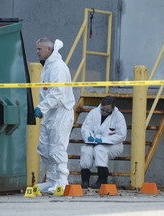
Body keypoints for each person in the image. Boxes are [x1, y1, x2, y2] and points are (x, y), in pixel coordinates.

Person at [33, 37, 75, 194]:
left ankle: (62, 181)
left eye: (40, 49)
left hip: (61, 112)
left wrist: (41, 108)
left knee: (57, 147)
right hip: (50, 113)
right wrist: (43, 109)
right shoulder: (48, 66)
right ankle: (51, 180)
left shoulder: (57, 66)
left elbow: (57, 92)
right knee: (44, 148)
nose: (37, 52)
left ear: (49, 50)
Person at [80, 96, 127, 189]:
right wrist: (89, 137)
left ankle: (102, 179)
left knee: (99, 149)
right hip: (94, 142)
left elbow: (121, 135)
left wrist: (103, 140)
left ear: (112, 109)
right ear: (101, 105)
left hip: (114, 145)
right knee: (86, 150)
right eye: (103, 109)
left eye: (107, 111)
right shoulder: (93, 113)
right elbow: (86, 128)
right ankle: (85, 179)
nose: (104, 112)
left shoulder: (118, 116)